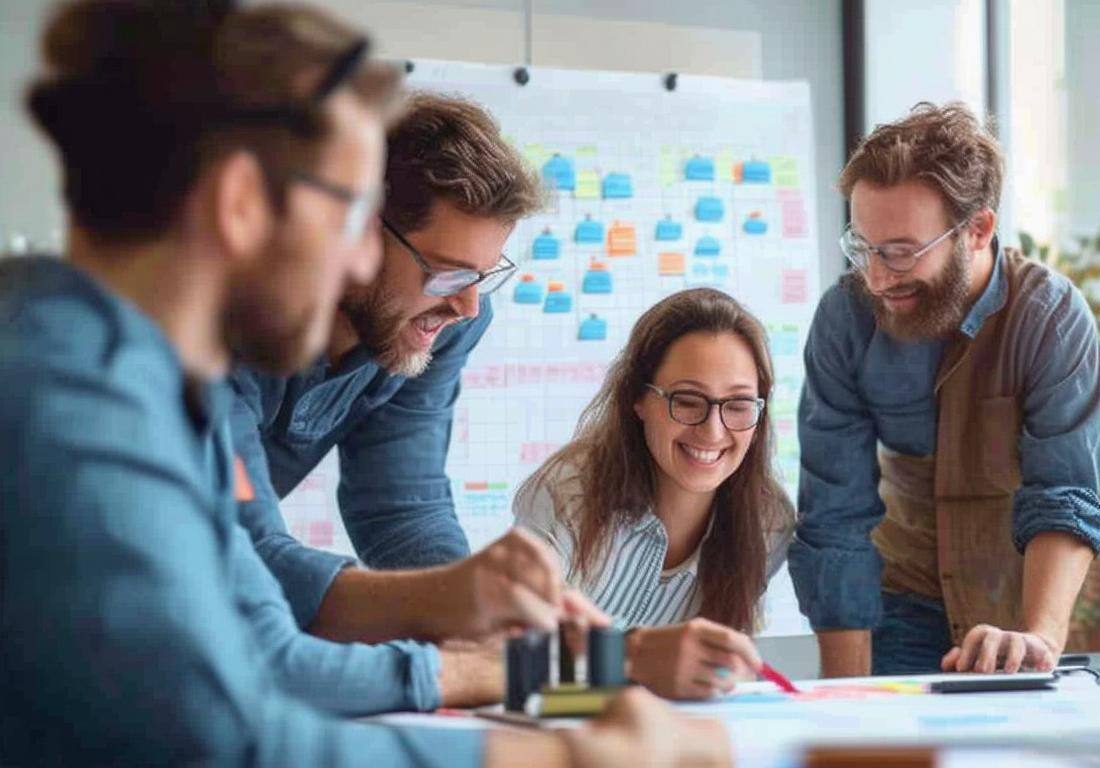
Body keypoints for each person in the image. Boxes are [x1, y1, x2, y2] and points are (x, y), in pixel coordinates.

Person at [0, 2, 726, 765]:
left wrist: (541, 657)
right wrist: (566, 752)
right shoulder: (73, 411)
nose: (353, 263)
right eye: (348, 215)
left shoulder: (152, 383)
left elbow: (271, 649)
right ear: (241, 204)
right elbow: (230, 735)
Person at [789, 102, 1100, 677]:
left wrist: (1038, 640)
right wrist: (842, 700)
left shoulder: (1052, 318)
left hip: (1015, 613)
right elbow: (834, 515)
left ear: (978, 229)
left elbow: (1063, 495)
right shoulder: (846, 317)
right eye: (864, 247)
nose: (878, 276)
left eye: (902, 251)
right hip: (897, 602)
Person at [228, 93, 547, 653]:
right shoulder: (219, 323)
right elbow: (239, 551)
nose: (467, 307)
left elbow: (402, 509)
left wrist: (478, 625)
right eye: (447, 274)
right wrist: (446, 604)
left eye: (483, 275)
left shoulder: (438, 324)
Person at [514, 288, 796, 700]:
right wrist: (633, 661)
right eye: (687, 400)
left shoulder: (768, 521)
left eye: (737, 405)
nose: (713, 432)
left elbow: (720, 682)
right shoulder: (565, 494)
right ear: (638, 399)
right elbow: (516, 672)